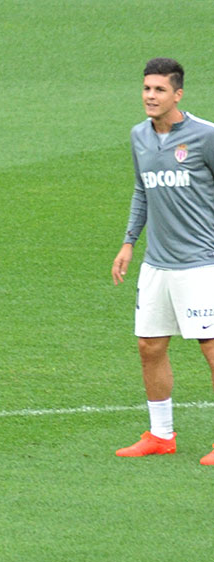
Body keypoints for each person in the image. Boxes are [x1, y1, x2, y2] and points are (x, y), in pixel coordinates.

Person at [112, 57, 214, 465]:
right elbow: (143, 190)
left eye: (159, 90)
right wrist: (128, 243)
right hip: (157, 264)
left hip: (200, 263)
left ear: (178, 94)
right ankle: (160, 434)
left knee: (210, 347)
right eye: (146, 89)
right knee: (149, 345)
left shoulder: (205, 136)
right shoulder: (139, 136)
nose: (150, 96)